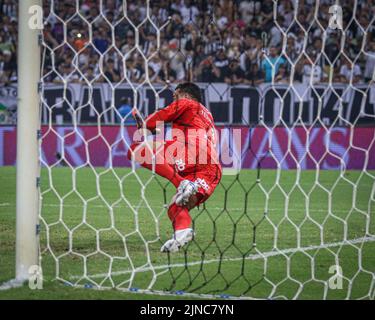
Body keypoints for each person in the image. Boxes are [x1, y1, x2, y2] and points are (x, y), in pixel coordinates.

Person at [127, 83, 222, 253]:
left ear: (184, 94)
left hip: (192, 151)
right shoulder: (207, 114)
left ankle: (181, 183)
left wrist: (145, 125)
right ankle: (182, 233)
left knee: (136, 150)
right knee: (177, 206)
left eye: (175, 95)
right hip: (211, 170)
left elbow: (158, 117)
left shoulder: (187, 103)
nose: (173, 99)